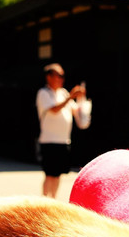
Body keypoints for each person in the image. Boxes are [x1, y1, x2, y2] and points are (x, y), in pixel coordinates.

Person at [36, 63, 91, 198]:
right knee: (49, 174)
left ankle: (53, 200)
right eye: (58, 75)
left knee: (58, 174)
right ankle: (44, 202)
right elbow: (54, 109)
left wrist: (80, 99)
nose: (61, 79)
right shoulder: (43, 93)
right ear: (49, 77)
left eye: (62, 76)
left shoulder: (63, 93)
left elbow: (76, 111)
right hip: (49, 140)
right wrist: (70, 97)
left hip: (63, 140)